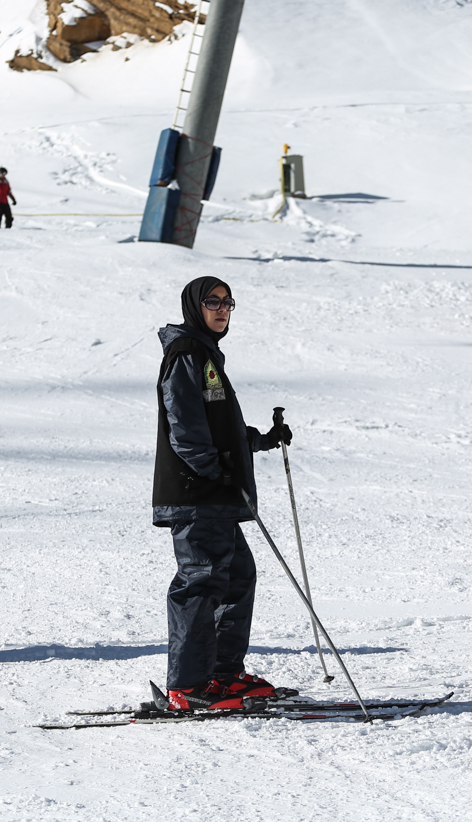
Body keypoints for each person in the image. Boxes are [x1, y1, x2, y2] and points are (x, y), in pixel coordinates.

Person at [153, 276, 293, 710]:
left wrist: (260, 440)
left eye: (228, 303)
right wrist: (216, 470)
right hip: (198, 493)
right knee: (202, 580)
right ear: (195, 306)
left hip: (213, 494)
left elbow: (218, 428)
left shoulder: (205, 354)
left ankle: (221, 674)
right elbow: (185, 427)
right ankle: (187, 686)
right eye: (212, 302)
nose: (221, 309)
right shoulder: (187, 353)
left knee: (235, 577)